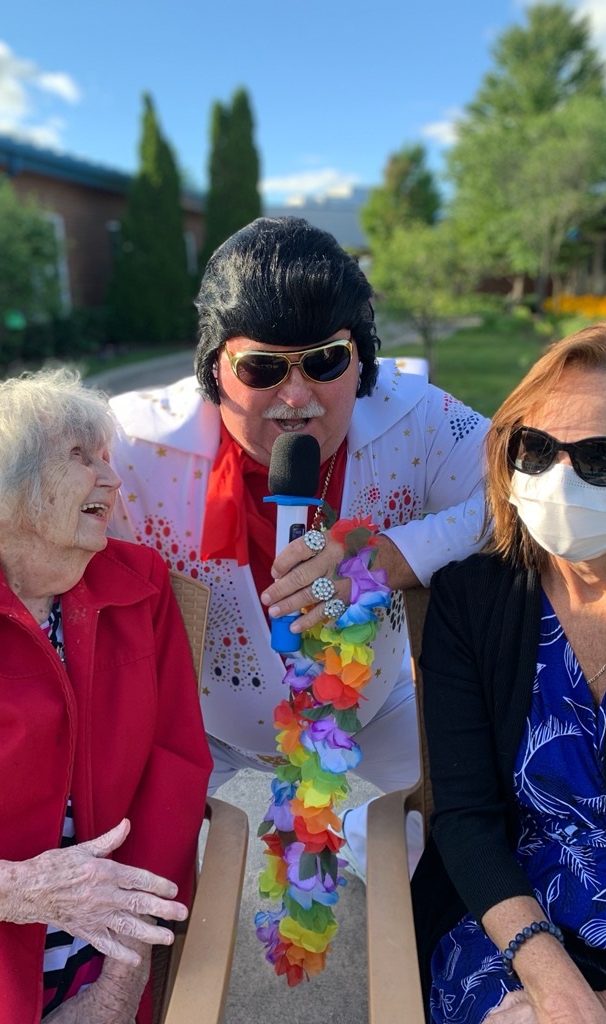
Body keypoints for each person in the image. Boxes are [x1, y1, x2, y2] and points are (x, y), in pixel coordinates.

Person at [108, 215, 490, 870]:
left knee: (473, 822)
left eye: (324, 362)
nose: (295, 396)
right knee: (141, 883)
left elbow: (524, 488)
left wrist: (386, 557)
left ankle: (373, 842)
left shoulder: (415, 415)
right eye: (260, 367)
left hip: (371, 710)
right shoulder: (133, 442)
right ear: (214, 369)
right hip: (202, 732)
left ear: (361, 358)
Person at [0, 368, 212, 1023]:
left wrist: (119, 988)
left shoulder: (139, 586)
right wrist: (11, 889)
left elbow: (173, 773)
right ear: (6, 488)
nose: (113, 480)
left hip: (101, 970)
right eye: (80, 457)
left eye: (106, 457)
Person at [413, 320, 606, 1023]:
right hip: (512, 922)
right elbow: (466, 819)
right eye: (538, 449)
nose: (561, 477)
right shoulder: (472, 603)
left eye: (604, 456)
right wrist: (560, 989)